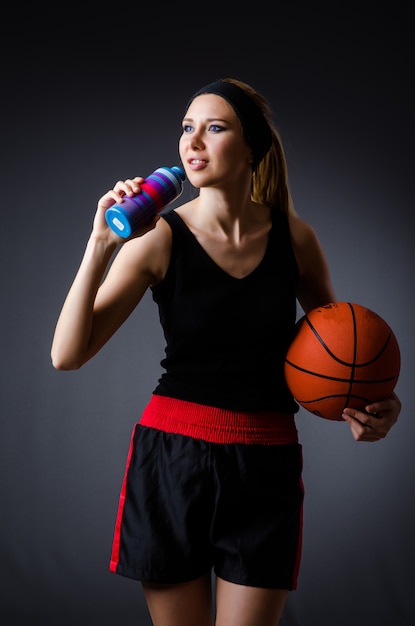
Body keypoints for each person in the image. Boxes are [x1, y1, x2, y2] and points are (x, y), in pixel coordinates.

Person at [51, 77, 401, 626]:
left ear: (252, 148)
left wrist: (376, 405)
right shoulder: (158, 238)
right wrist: (100, 246)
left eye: (214, 128)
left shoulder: (296, 239)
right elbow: (66, 355)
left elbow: (341, 351)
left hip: (266, 464)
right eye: (187, 128)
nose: (193, 141)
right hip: (172, 460)